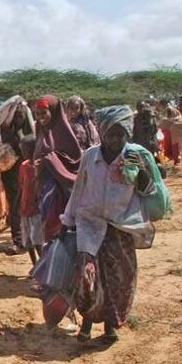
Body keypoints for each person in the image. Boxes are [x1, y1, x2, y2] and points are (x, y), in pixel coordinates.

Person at [62, 105, 156, 344]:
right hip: (90, 225)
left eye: (120, 135)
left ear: (127, 134)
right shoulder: (90, 156)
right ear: (102, 133)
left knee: (118, 281)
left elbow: (149, 191)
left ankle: (111, 327)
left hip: (120, 228)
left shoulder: (135, 156)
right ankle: (87, 323)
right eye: (111, 134)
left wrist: (141, 171)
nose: (116, 140)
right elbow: (79, 189)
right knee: (88, 279)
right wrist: (69, 219)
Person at [33, 95, 82, 241]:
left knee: (62, 227)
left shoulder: (64, 131)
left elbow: (73, 159)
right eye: (38, 113)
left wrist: (48, 160)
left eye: (44, 113)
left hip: (63, 188)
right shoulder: (40, 129)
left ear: (53, 111)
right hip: (45, 187)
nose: (41, 117)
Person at [0, 96, 36, 253]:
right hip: (11, 174)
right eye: (17, 116)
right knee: (15, 206)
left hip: (27, 175)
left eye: (21, 116)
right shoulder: (6, 132)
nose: (19, 119)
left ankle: (29, 240)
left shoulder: (30, 134)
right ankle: (18, 240)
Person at [17, 135, 43, 268]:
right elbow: (21, 187)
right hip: (25, 209)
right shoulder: (23, 166)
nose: (22, 152)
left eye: (25, 149)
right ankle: (35, 266)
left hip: (37, 210)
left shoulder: (41, 166)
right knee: (28, 241)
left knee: (38, 240)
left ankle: (43, 266)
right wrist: (16, 206)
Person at [156, 99, 182, 165]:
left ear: (162, 104)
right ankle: (174, 159)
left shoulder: (169, 109)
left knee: (173, 145)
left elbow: (171, 119)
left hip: (171, 130)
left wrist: (165, 120)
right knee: (171, 145)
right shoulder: (168, 109)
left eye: (160, 105)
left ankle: (175, 159)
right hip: (169, 130)